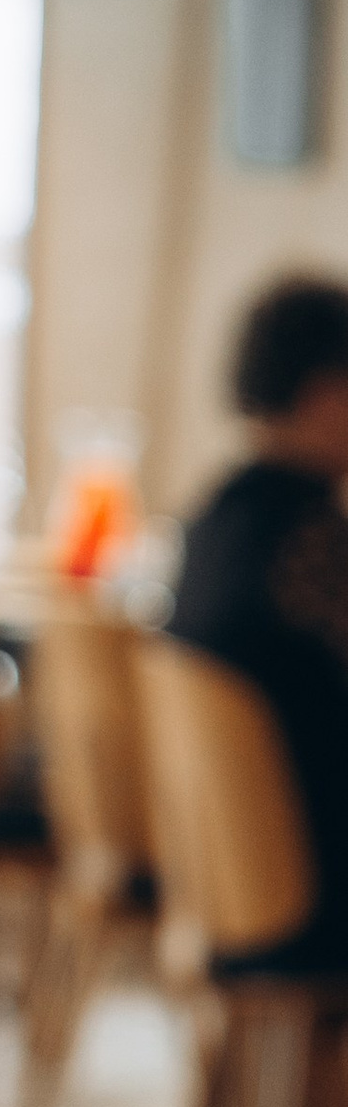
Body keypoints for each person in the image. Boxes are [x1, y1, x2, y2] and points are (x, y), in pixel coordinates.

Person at [167, 273, 348, 971]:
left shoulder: (213, 521)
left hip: (224, 875)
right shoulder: (313, 540)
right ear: (326, 393)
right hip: (311, 881)